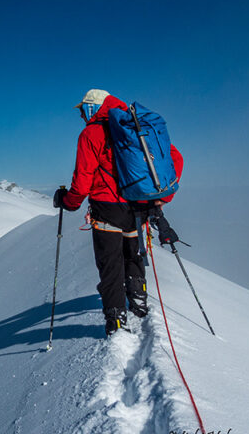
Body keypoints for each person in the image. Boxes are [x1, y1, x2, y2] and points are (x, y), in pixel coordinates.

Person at [53, 89, 183, 336]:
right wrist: (161, 198)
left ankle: (116, 319)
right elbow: (175, 157)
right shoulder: (135, 125)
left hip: (107, 208)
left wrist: (68, 203)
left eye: (83, 110)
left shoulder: (91, 133)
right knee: (132, 254)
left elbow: (82, 182)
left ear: (92, 108)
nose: (81, 115)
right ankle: (138, 301)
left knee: (110, 263)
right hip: (139, 206)